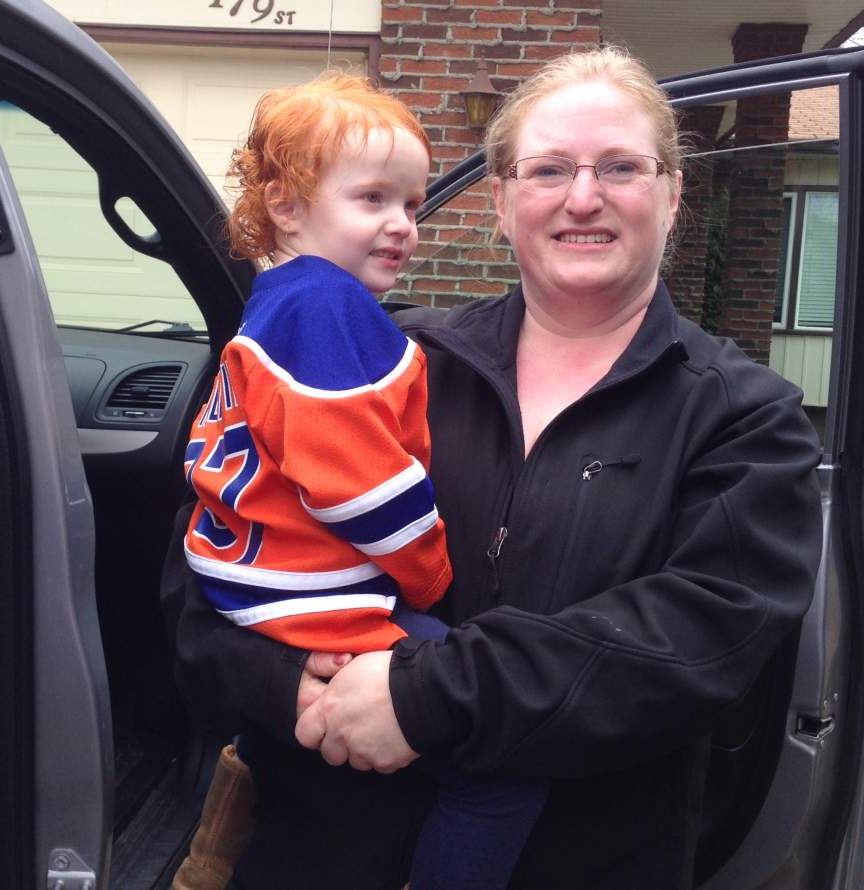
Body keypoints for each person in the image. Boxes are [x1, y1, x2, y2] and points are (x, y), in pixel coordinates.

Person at [163, 47, 823, 890]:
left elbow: (699, 643)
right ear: (503, 203)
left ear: (672, 192)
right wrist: (288, 681)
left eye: (620, 166)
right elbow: (202, 572)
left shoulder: (743, 416)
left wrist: (424, 697)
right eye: (548, 169)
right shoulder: (383, 359)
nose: (583, 196)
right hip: (318, 851)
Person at [175, 72, 548, 890]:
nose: (401, 225)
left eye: (413, 204)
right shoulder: (329, 310)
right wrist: (432, 575)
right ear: (285, 205)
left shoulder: (275, 304)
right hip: (321, 610)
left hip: (258, 595)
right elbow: (365, 488)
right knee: (505, 764)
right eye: (372, 198)